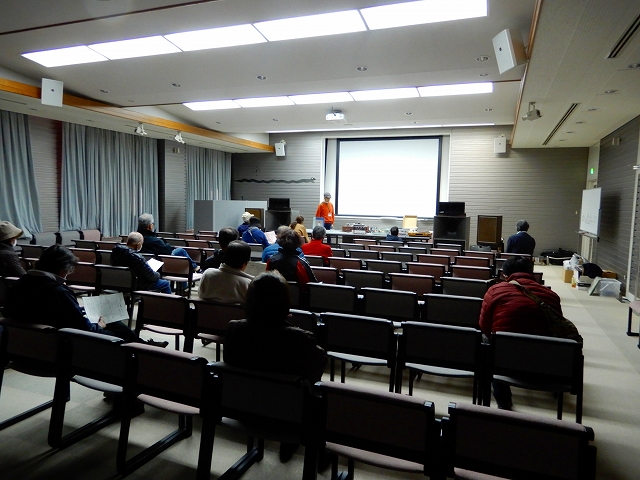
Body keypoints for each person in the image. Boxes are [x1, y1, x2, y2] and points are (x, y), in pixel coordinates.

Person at [223, 271, 327, 462]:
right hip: (289, 418)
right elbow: (315, 375)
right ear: (285, 305)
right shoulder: (300, 339)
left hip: (242, 409)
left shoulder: (234, 329)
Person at [5, 245, 166, 346]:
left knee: (115, 323)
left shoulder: (21, 283)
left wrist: (78, 309)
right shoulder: (58, 290)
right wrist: (100, 326)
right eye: (69, 271)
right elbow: (83, 327)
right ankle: (140, 350)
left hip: (28, 342)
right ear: (61, 269)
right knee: (117, 330)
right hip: (62, 342)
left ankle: (143, 345)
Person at [479, 256, 561, 410]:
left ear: (505, 275)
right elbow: (557, 328)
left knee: (489, 343)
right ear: (532, 273)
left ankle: (503, 401)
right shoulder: (551, 295)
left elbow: (485, 326)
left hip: (504, 356)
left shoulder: (495, 291)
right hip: (543, 358)